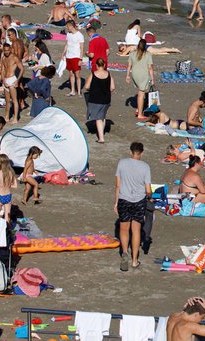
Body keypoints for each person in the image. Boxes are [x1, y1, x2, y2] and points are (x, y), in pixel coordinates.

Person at [115, 141, 153, 271]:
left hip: (124, 198)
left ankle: (124, 252)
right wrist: (150, 195)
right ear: (141, 152)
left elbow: (118, 185)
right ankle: (135, 260)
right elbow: (148, 189)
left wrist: (116, 202)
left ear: (130, 151)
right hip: (138, 200)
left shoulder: (122, 163)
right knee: (136, 230)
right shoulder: (145, 167)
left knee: (124, 229)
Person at [84, 57, 114, 143]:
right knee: (102, 116)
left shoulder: (93, 74)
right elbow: (112, 87)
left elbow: (86, 86)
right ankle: (101, 133)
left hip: (95, 99)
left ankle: (101, 138)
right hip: (106, 99)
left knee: (98, 118)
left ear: (96, 65)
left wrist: (93, 88)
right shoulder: (109, 74)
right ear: (104, 65)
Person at [0, 153, 16, 220]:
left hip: (0, 196)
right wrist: (7, 185)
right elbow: (15, 186)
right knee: (7, 216)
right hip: (8, 195)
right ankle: (7, 229)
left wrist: (0, 185)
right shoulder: (11, 172)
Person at [64, 21, 85, 96]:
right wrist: (63, 54)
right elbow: (67, 44)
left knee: (77, 75)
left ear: (71, 26)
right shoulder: (68, 34)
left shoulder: (80, 35)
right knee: (71, 74)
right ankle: (72, 90)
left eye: (67, 26)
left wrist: (80, 59)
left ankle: (79, 91)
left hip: (76, 56)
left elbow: (82, 48)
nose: (66, 28)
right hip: (68, 56)